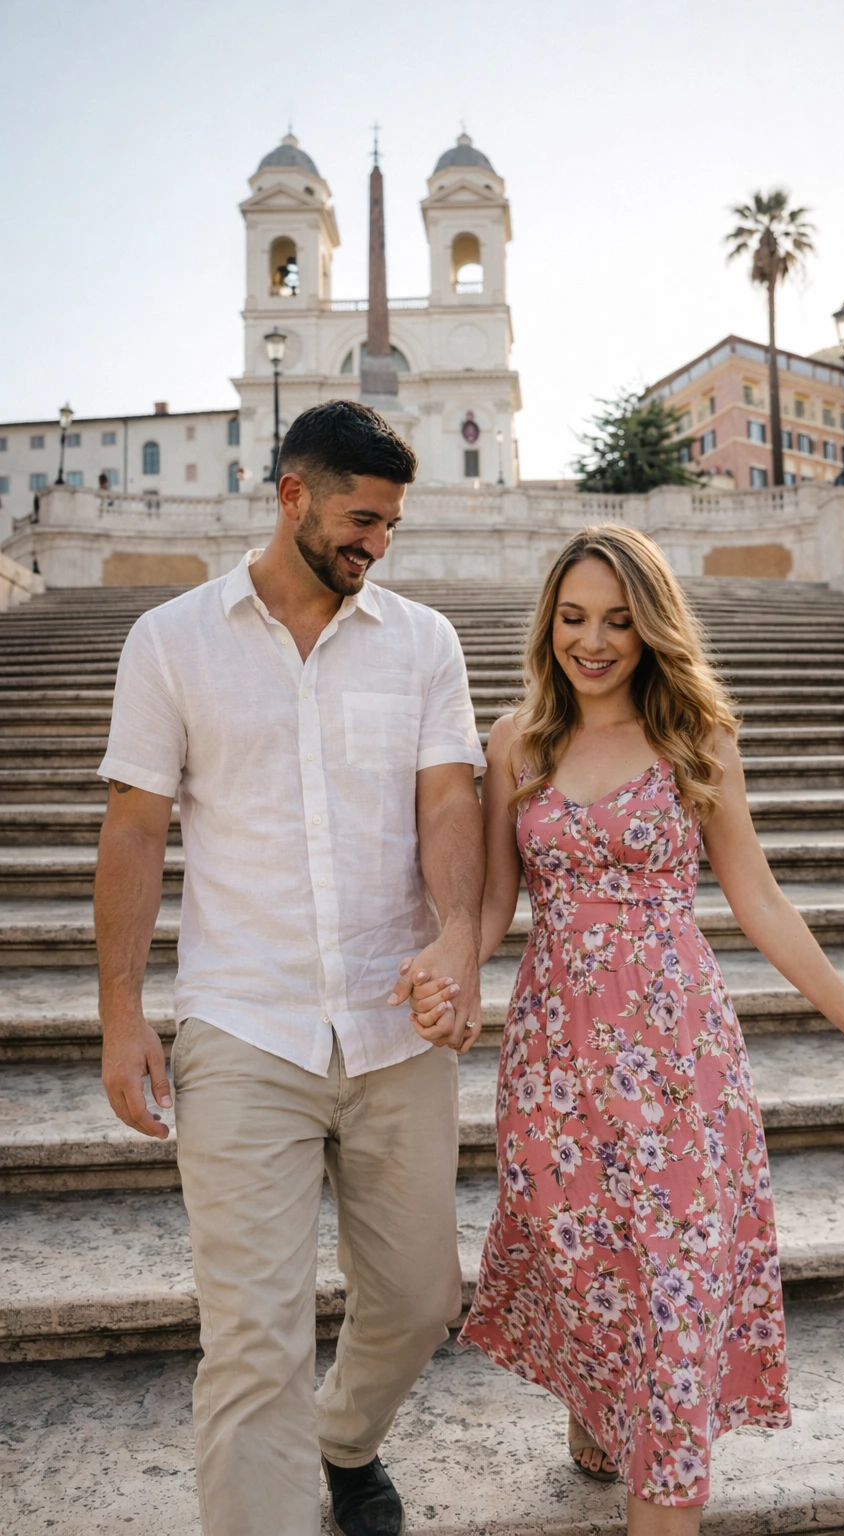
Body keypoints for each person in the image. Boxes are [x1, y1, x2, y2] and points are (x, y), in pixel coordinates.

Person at [406, 525, 844, 1533]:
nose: (592, 641)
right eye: (572, 618)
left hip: (681, 1062)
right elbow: (487, 906)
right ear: (547, 622)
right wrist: (445, 969)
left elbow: (760, 902)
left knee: (675, 1286)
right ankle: (602, 1406)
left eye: (617, 620)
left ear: (650, 628)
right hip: (556, 1062)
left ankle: (662, 1483)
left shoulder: (694, 738)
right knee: (588, 1263)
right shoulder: (516, 742)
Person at [95, 399, 486, 1536]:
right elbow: (133, 830)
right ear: (292, 497)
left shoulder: (422, 641)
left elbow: (450, 801)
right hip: (243, 1022)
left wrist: (456, 938)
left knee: (419, 1300)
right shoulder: (170, 641)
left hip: (393, 1021)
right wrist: (123, 1016)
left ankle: (343, 1442)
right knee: (254, 1341)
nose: (376, 543)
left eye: (392, 527)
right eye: (361, 519)